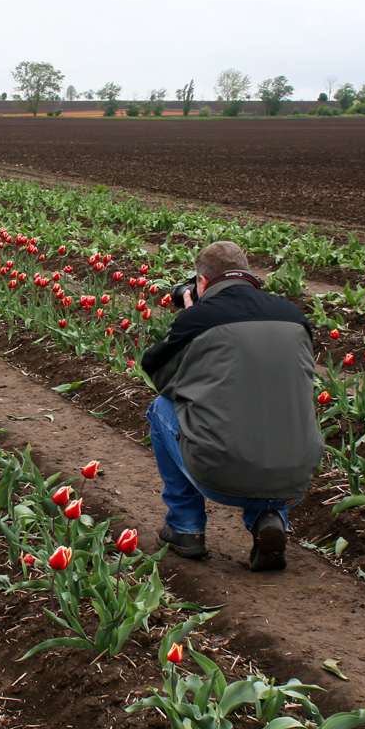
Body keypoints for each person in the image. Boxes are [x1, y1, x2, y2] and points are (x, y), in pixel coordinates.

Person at [140, 240, 323, 571]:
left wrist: (190, 316)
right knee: (274, 405)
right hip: (296, 473)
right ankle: (269, 516)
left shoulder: (201, 318)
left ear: (203, 282)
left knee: (160, 408)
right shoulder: (293, 316)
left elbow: (162, 377)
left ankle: (185, 528)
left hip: (221, 473)